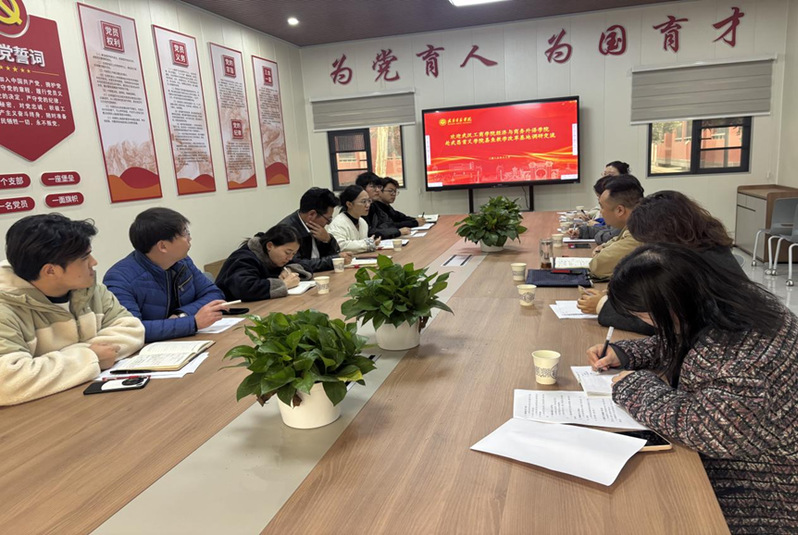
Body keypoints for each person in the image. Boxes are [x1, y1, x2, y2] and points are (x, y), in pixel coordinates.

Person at [586, 243, 798, 533]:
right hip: (745, 460)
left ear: (672, 305)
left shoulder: (746, 355)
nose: (643, 323)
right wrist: (626, 353)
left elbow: (711, 429)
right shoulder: (727, 304)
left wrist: (635, 387)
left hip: (761, 490)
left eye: (643, 316)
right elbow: (682, 338)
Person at [0, 214, 145, 405]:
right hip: (40, 414)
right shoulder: (6, 308)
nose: (94, 262)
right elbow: (7, 381)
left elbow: (132, 329)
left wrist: (72, 361)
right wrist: (91, 357)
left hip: (88, 400)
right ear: (50, 271)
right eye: (85, 258)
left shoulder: (89, 289)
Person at [579, 191, 745, 334]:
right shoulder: (703, 245)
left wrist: (603, 306)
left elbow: (669, 322)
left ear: (663, 234)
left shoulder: (694, 264)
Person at [104, 208, 227, 343]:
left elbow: (214, 294)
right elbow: (132, 330)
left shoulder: (182, 262)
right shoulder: (120, 279)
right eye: (185, 233)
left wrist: (181, 315)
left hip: (188, 340)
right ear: (163, 246)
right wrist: (192, 322)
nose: (189, 238)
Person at [215, 224, 312, 301]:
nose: (290, 258)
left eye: (294, 254)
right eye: (287, 252)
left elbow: (306, 265)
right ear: (270, 246)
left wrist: (290, 270)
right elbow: (245, 288)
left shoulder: (276, 256)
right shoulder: (244, 259)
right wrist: (284, 284)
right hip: (231, 311)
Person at [278, 187, 352, 272]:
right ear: (311, 214)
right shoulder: (287, 231)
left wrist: (328, 240)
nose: (328, 223)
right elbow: (296, 265)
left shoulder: (315, 227)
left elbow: (334, 254)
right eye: (328, 219)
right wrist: (333, 260)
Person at [587, 174, 644, 280]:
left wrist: (601, 253)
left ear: (620, 210)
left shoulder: (640, 233)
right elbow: (616, 240)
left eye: (602, 207)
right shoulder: (634, 224)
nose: (601, 212)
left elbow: (598, 266)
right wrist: (604, 247)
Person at [567, 175, 621, 245]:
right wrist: (581, 231)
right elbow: (605, 228)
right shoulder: (617, 220)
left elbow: (608, 237)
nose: (601, 211)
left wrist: (598, 229)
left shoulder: (624, 225)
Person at [327, 185, 381, 254]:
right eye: (364, 201)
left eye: (369, 201)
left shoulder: (363, 222)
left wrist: (371, 244)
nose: (368, 205)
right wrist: (368, 244)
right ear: (349, 204)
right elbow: (340, 245)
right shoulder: (338, 223)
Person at [355, 171, 404, 239]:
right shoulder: (357, 208)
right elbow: (368, 232)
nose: (377, 190)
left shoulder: (374, 206)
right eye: (373, 186)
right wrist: (397, 231)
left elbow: (388, 223)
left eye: (379, 187)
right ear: (362, 188)